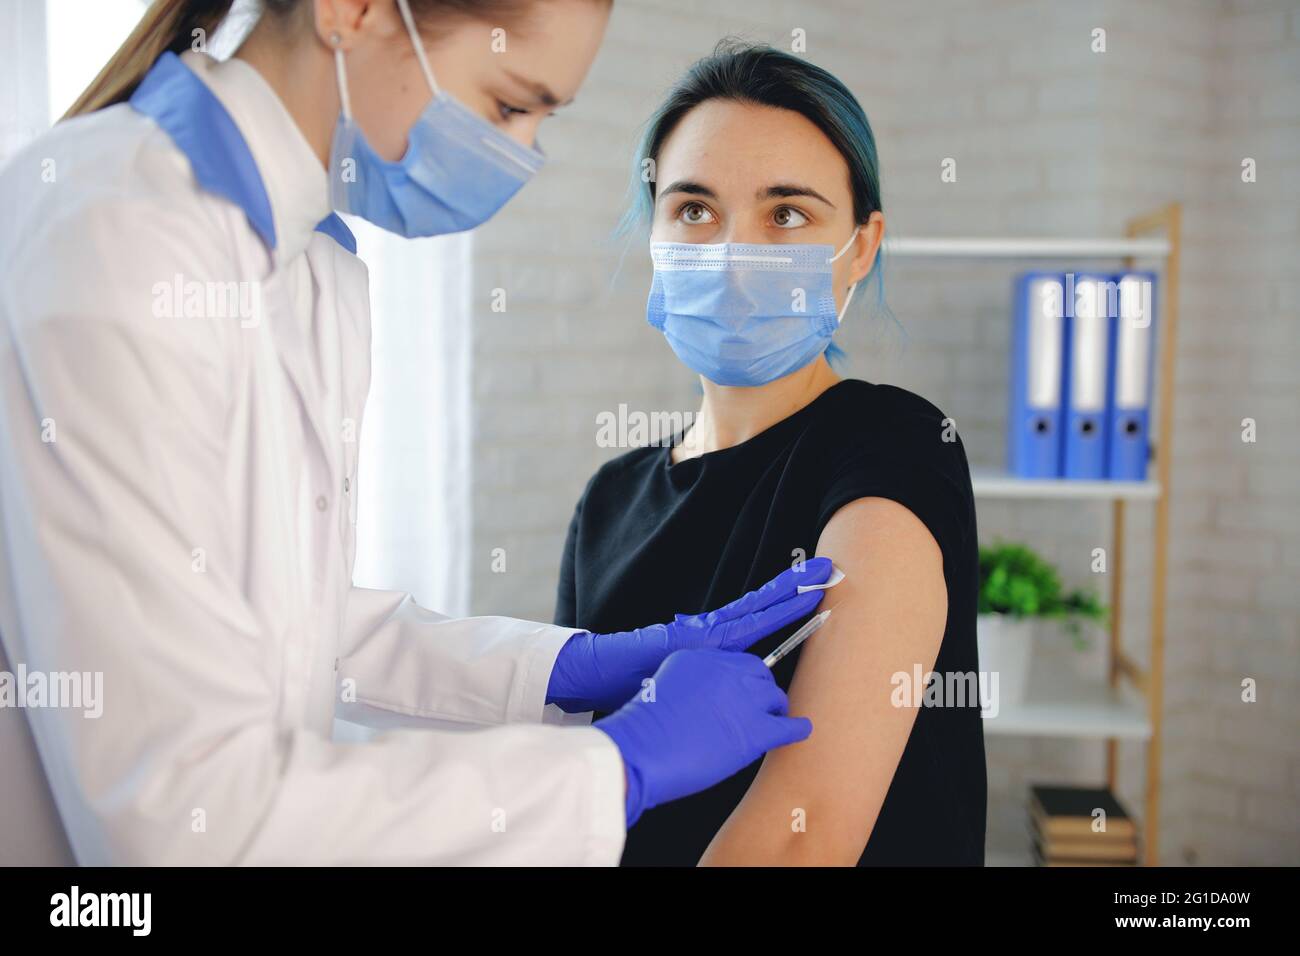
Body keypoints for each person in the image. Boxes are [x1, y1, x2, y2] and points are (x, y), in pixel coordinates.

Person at [0, 1, 827, 866]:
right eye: (511, 106)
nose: (522, 156)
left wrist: (567, 668)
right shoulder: (118, 237)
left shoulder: (317, 265)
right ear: (351, 12)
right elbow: (184, 811)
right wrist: (611, 768)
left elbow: (306, 628)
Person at [555, 41, 987, 866]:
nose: (731, 255)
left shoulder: (892, 446)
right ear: (655, 233)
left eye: (786, 215)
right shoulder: (609, 498)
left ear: (861, 247)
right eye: (693, 210)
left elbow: (805, 835)